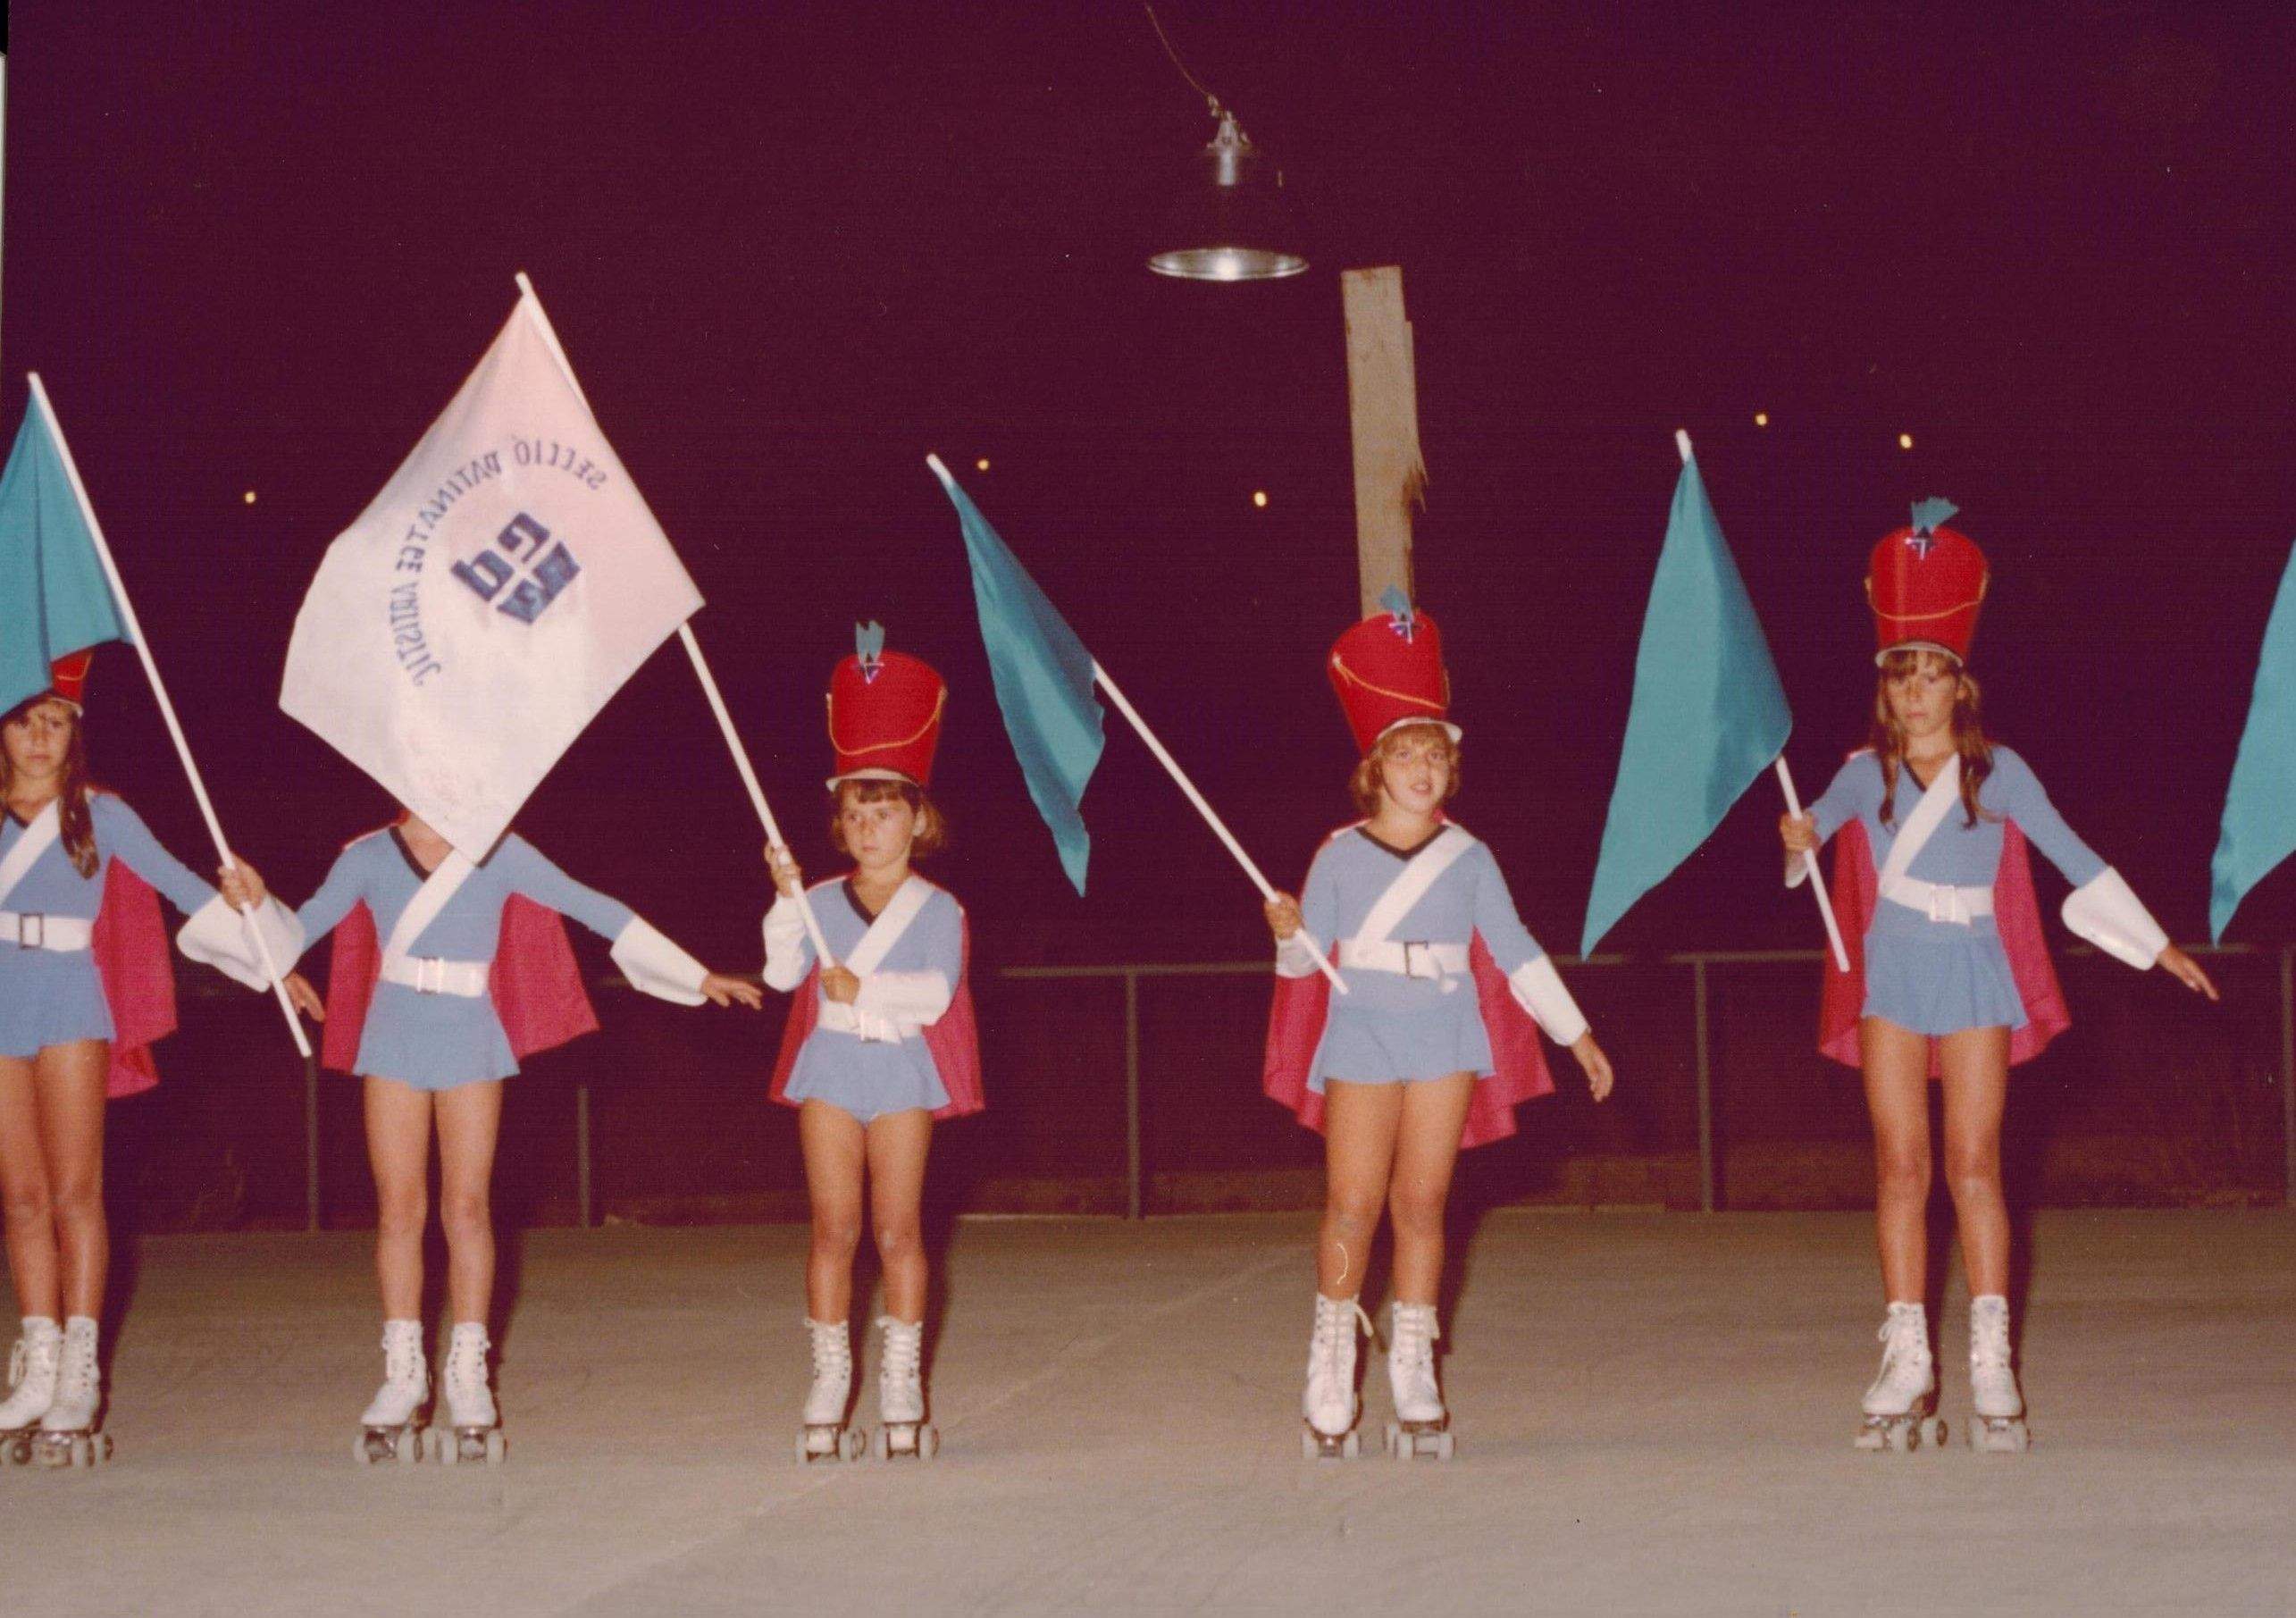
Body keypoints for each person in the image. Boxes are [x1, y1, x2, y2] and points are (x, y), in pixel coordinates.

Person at [1779, 500, 2216, 1453]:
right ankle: (1906, 1356)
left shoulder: (1999, 771)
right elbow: (1805, 843)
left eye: (1932, 676)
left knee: (1973, 1165)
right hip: (1893, 977)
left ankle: (1989, 1358)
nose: (1916, 695)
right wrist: (1797, 835)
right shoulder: (1861, 773)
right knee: (1899, 1166)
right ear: (1887, 688)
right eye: (1902, 678)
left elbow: (2074, 855)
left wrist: (2156, 944)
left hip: (1975, 970)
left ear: (1959, 684)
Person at [222, 805, 759, 1464]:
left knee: (468, 1208)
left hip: (472, 1035)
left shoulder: (500, 850)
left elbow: (593, 907)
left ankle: (468, 1372)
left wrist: (694, 975)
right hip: (391, 1036)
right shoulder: (366, 854)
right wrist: (256, 904)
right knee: (398, 1211)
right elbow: (300, 927)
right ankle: (403, 1375)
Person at [1262, 594, 1614, 1459]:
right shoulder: (1337, 852)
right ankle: (1331, 1356)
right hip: (1361, 1033)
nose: (1419, 767)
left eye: (1432, 752)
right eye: (1403, 751)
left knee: (1421, 1204)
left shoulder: (1470, 855)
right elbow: (1304, 967)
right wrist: (1286, 934)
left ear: (1449, 767)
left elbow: (1515, 948)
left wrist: (1575, 1033)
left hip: (1445, 1035)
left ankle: (1413, 1363)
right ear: (1374, 767)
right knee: (1352, 1203)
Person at [0, 651, 291, 1465]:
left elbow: (186, 889)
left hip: (70, 1000)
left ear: (75, 733)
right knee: (20, 1197)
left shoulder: (103, 815)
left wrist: (267, 938)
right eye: (23, 721)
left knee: (74, 1190)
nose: (39, 737)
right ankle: (38, 1358)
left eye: (55, 722)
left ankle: (80, 1367)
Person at [764, 626, 980, 1463]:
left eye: (883, 811)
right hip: (830, 1069)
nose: (867, 827)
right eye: (854, 813)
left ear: (916, 818)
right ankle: (828, 1377)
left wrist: (867, 989)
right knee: (833, 1229)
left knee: (898, 1232)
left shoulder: (939, 907)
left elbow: (936, 992)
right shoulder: (820, 898)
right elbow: (782, 972)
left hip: (899, 1072)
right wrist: (784, 899)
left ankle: (900, 1379)